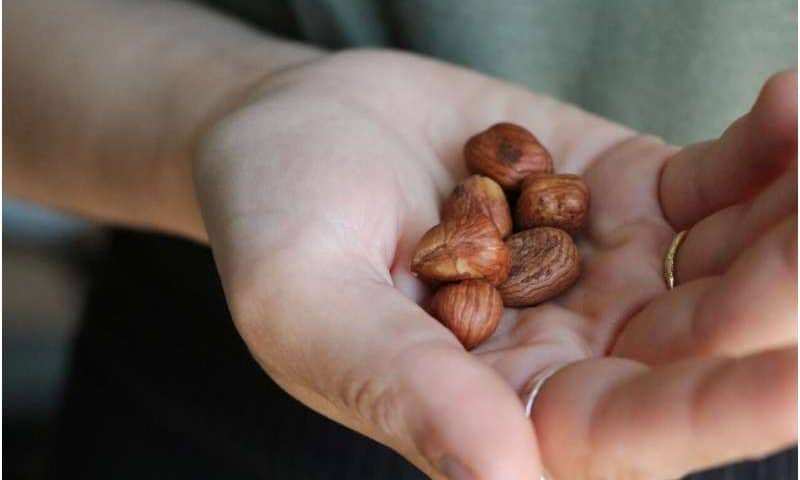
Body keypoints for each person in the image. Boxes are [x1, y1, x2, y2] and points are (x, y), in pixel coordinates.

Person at [5, 1, 797, 478]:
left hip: (748, 381)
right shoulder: (487, 212)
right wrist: (232, 103)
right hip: (208, 358)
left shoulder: (518, 213)